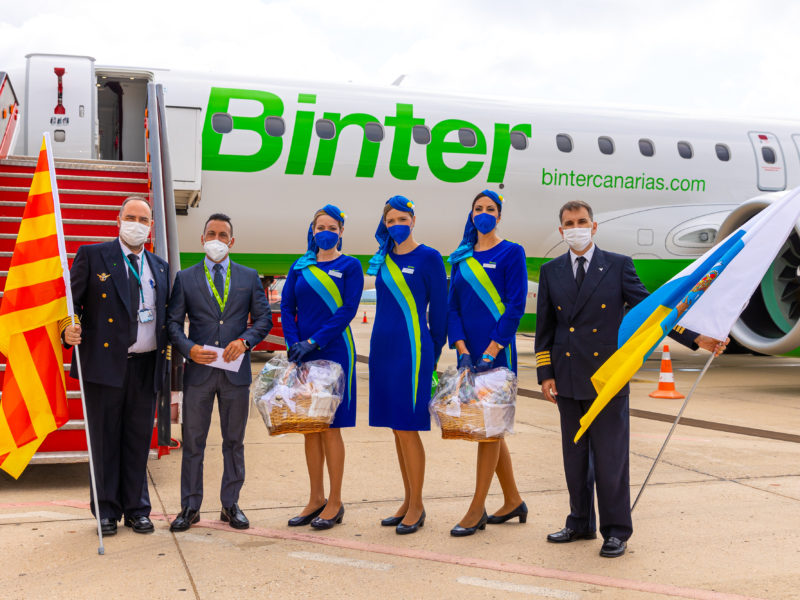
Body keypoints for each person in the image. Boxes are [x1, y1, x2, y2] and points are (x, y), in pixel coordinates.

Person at [536, 200, 728, 558]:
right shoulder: (551, 271)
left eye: (581, 221)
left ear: (593, 227)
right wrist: (545, 373)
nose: (575, 228)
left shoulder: (618, 266)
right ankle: (579, 522)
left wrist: (696, 338)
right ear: (561, 231)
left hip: (608, 376)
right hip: (567, 375)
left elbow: (653, 312)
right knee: (574, 458)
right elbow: (546, 326)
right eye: (568, 223)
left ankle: (616, 531)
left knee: (610, 460)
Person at [62, 196, 170, 536]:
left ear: (151, 226)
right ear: (118, 219)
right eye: (131, 216)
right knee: (105, 439)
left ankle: (137, 509)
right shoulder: (93, 255)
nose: (136, 223)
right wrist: (67, 328)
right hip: (105, 365)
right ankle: (106, 510)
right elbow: (70, 301)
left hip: (146, 365)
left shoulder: (161, 266)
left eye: (143, 219)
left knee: (138, 440)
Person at [167, 213, 271, 532]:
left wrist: (245, 340)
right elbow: (172, 323)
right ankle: (190, 507)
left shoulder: (248, 276)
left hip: (234, 375)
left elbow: (263, 320)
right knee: (194, 442)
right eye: (211, 233)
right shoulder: (185, 278)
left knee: (233, 442)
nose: (216, 239)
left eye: (222, 234)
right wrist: (188, 348)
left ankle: (230, 505)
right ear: (202, 239)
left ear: (231, 241)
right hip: (198, 372)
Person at [446, 190, 527, 537]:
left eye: (490, 209)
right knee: (489, 429)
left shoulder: (512, 252)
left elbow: (515, 305)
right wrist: (462, 348)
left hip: (498, 353)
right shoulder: (461, 256)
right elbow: (452, 308)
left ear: (499, 215)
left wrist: (492, 349)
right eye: (477, 208)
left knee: (487, 431)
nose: (483, 213)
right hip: (469, 354)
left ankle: (476, 508)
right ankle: (512, 500)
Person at [367, 195, 447, 535]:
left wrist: (434, 351)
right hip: (383, 349)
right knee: (396, 430)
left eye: (402, 219)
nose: (396, 225)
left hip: (413, 351)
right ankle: (407, 499)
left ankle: (418, 505)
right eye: (390, 221)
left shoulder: (428, 257)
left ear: (413, 220)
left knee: (408, 428)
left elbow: (439, 312)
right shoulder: (382, 258)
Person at [280, 204, 364, 530]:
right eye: (320, 227)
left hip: (336, 353)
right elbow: (287, 307)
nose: (325, 232)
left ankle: (335, 501)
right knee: (310, 427)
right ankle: (315, 498)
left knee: (331, 427)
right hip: (302, 355)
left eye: (332, 227)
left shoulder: (350, 266)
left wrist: (313, 341)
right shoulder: (301, 267)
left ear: (341, 231)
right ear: (312, 231)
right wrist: (293, 344)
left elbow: (347, 310)